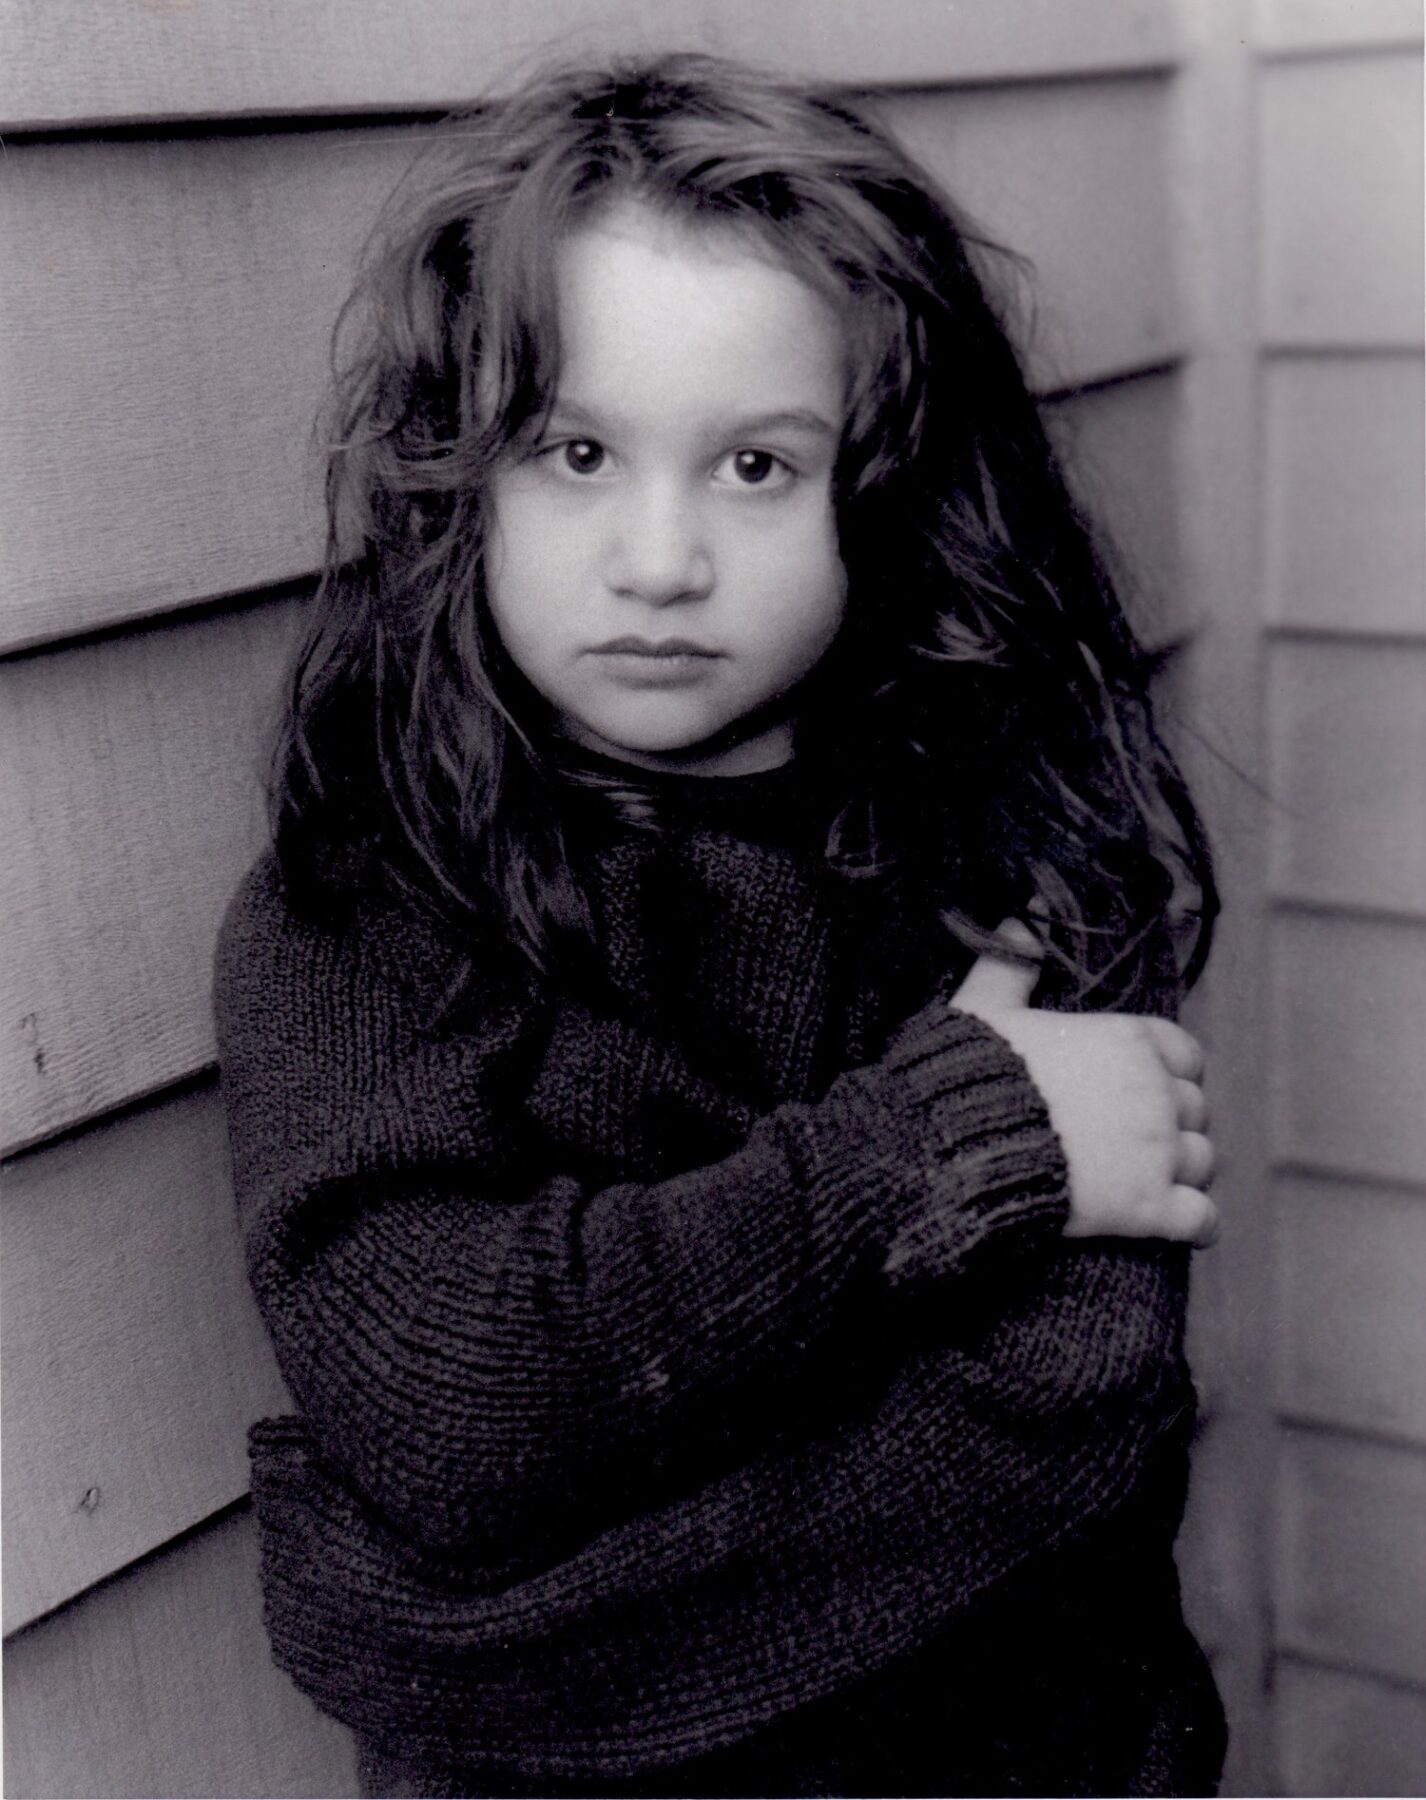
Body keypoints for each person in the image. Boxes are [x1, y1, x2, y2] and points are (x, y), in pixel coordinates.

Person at [214, 53, 1227, 1799]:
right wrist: (945, 1140)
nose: (659, 558)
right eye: (578, 453)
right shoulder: (373, 909)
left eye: (756, 465)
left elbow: (1073, 1417)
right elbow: (446, 1408)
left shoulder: (1007, 861)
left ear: (885, 488)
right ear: (463, 476)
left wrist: (506, 1617)